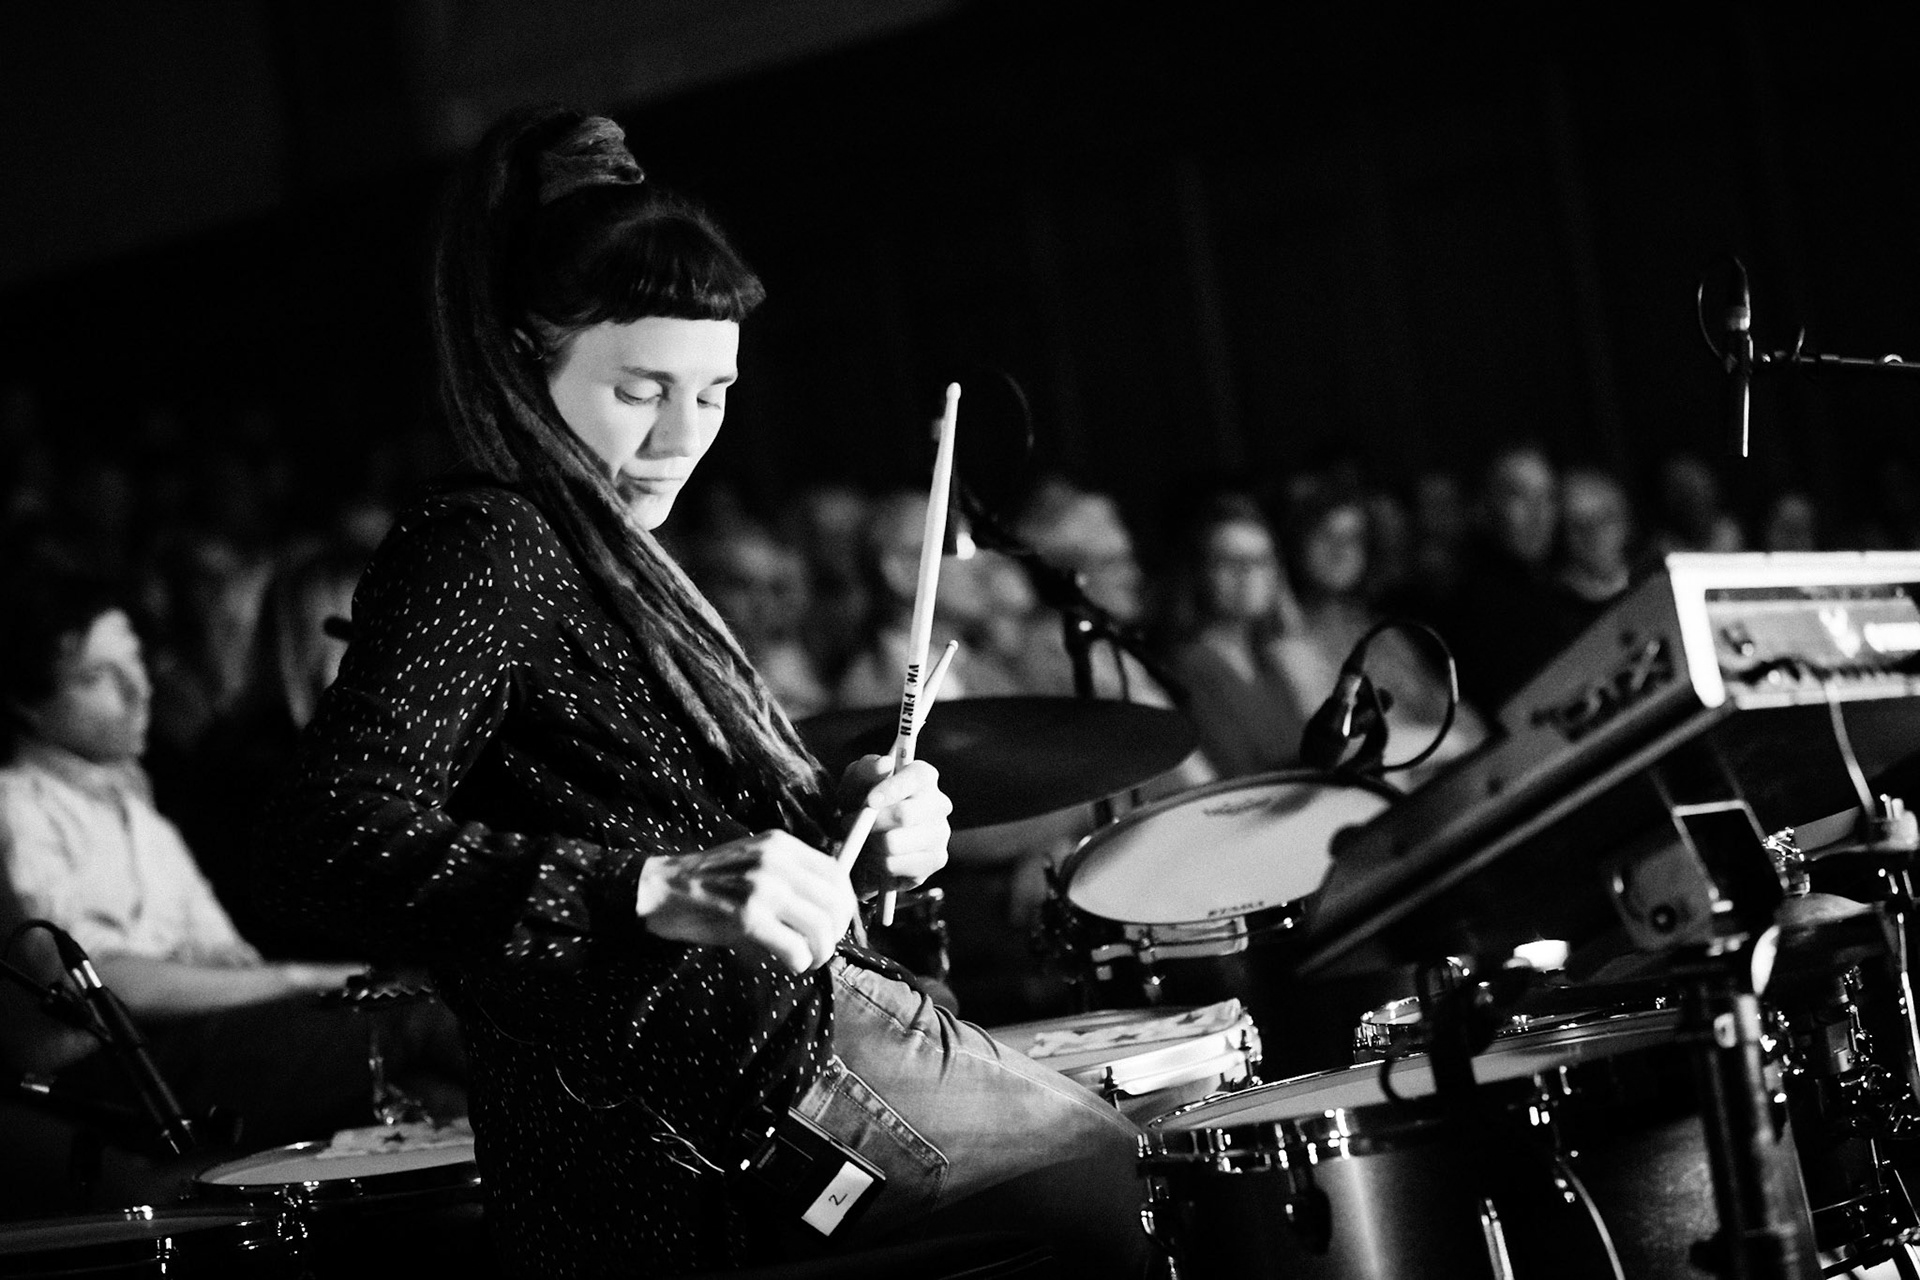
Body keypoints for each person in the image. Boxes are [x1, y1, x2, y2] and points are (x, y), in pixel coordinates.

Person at [258, 107, 1147, 1278]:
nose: (683, 436)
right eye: (640, 390)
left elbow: (641, 820)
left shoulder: (608, 546)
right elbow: (331, 839)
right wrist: (653, 889)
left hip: (763, 1077)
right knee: (1140, 1200)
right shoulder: (486, 540)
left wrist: (842, 834)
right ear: (527, 359)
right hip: (701, 1126)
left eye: (715, 393)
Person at [0, 552, 465, 1150]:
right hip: (112, 1075)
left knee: (438, 1098)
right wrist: (298, 978)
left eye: (136, 661)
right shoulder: (18, 808)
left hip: (199, 1042)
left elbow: (223, 958)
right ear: (26, 702)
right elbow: (95, 983)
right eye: (97, 678)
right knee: (418, 1028)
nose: (140, 690)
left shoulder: (132, 808)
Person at [1160, 492, 1310, 778]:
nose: (1248, 573)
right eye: (1229, 561)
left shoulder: (1270, 660)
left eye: (1261, 561)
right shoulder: (1189, 666)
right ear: (1200, 571)